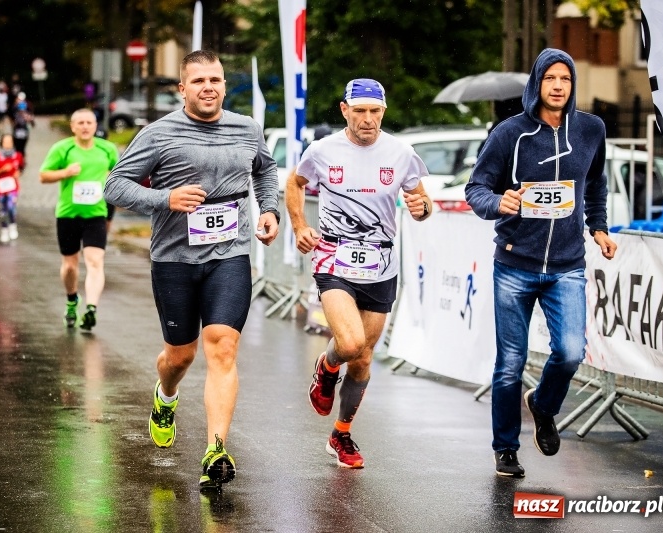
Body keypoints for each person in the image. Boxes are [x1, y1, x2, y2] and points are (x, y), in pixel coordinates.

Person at [104, 50, 280, 490]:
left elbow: (266, 169)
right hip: (174, 258)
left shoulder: (246, 129)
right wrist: (165, 199)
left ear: (224, 85)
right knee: (180, 355)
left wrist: (270, 209)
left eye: (216, 80)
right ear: (182, 88)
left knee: (222, 347)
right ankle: (166, 397)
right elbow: (114, 185)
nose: (209, 87)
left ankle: (215, 449)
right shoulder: (158, 134)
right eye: (198, 80)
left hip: (230, 253)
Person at [464, 48, 617, 479]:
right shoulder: (509, 133)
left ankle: (544, 405)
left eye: (565, 80)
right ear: (536, 83)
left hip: (567, 265)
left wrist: (599, 228)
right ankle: (505, 449)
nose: (557, 86)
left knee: (570, 352)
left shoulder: (590, 129)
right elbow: (476, 189)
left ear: (572, 85)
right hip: (514, 265)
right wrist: (500, 202)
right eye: (549, 78)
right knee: (510, 362)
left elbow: (595, 183)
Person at [285, 78, 432, 469]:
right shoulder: (322, 150)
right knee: (349, 344)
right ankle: (326, 366)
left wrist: (421, 209)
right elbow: (295, 183)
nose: (368, 120)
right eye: (361, 111)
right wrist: (299, 225)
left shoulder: (401, 153)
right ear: (344, 109)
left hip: (381, 263)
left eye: (376, 112)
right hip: (334, 257)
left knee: (364, 358)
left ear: (384, 112)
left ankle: (341, 433)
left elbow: (422, 200)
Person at [39, 108, 119, 331]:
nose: (85, 127)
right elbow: (43, 175)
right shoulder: (62, 149)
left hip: (95, 215)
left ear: (95, 126)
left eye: (89, 123)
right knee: (70, 266)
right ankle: (72, 299)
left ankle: (91, 308)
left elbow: (120, 176)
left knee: (95, 262)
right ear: (73, 126)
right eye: (80, 123)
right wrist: (64, 173)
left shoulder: (107, 149)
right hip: (68, 215)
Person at [0, 134, 24, 243]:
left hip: (13, 187)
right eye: (5, 142)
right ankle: (4, 230)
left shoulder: (18, 156)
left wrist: (18, 173)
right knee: (3, 211)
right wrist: (2, 170)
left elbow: (21, 168)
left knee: (11, 207)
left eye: (10, 141)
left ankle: (13, 225)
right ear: (2, 143)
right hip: (1, 188)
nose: (8, 144)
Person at [11, 92, 35, 160]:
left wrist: (28, 117)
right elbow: (11, 115)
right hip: (17, 129)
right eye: (19, 99)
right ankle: (17, 159)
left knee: (22, 146)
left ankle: (22, 159)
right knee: (16, 146)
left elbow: (32, 120)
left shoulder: (28, 107)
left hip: (24, 129)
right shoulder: (15, 107)